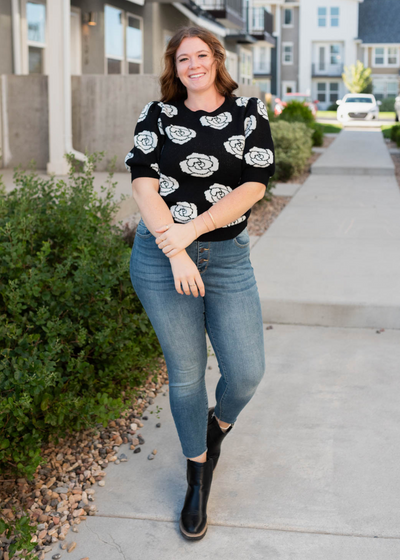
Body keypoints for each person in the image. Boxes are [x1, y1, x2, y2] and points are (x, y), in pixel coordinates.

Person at [124, 25, 275, 541]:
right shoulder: (156, 116)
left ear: (216, 59)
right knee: (186, 375)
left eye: (202, 54)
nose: (193, 64)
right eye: (183, 57)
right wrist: (175, 249)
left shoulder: (250, 113)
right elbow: (143, 183)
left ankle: (214, 430)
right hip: (160, 259)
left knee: (248, 372)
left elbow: (254, 183)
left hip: (227, 258)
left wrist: (192, 232)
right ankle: (197, 475)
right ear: (175, 66)